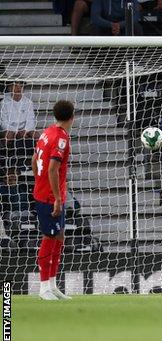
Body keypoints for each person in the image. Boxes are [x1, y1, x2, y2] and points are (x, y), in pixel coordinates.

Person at [32, 100, 75, 301]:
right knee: (49, 238)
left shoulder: (46, 132)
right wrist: (56, 198)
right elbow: (52, 169)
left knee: (59, 236)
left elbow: (34, 159)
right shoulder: (60, 139)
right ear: (72, 117)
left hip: (46, 192)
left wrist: (38, 181)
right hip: (50, 197)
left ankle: (52, 284)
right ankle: (43, 288)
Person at [1, 82, 39, 157]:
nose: (18, 88)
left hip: (25, 129)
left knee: (37, 136)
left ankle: (36, 161)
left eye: (20, 86)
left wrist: (25, 130)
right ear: (10, 88)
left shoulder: (28, 102)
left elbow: (31, 120)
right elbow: (3, 123)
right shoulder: (4, 103)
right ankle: (9, 162)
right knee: (8, 136)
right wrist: (16, 131)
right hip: (11, 129)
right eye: (15, 86)